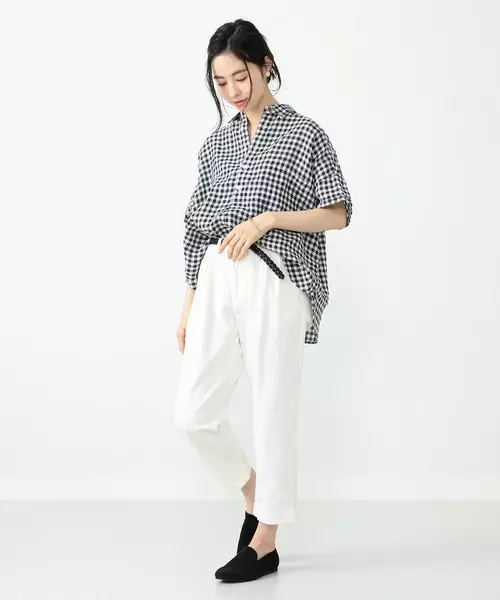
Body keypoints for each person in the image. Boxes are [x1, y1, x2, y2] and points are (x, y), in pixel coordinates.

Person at [173, 19, 353, 583]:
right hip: (216, 275)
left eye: (240, 75)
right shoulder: (216, 144)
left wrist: (268, 219)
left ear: (265, 63)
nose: (232, 90)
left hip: (275, 276)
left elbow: (338, 213)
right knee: (194, 414)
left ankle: (267, 539)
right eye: (220, 81)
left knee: (272, 406)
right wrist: (189, 301)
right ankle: (254, 495)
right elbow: (196, 225)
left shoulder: (304, 134)